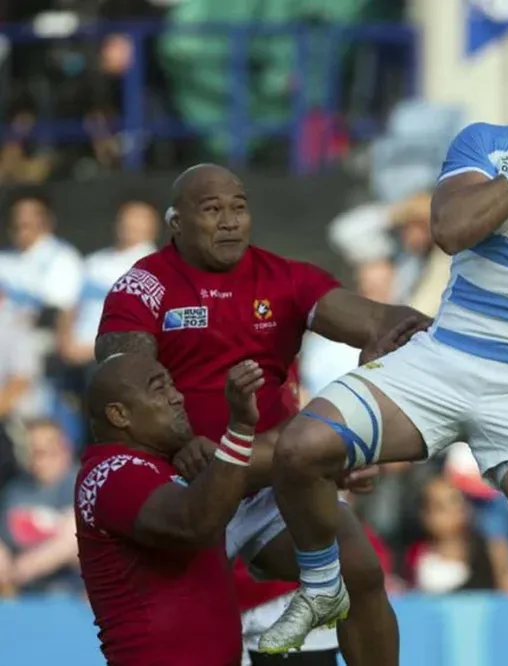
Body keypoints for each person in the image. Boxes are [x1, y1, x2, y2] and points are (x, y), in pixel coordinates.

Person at [260, 26, 508, 666]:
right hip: (443, 358)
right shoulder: (488, 142)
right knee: (300, 446)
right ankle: (320, 587)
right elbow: (449, 228)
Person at [95, 163, 424, 665]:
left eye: (239, 206)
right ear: (176, 224)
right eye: (211, 209)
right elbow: (121, 381)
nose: (230, 220)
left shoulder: (285, 279)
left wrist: (394, 339)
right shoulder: (144, 287)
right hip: (180, 484)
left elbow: (380, 319)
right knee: (182, 638)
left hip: (268, 483)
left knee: (359, 570)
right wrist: (180, 443)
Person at [75, 354, 264, 666]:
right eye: (158, 389)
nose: (177, 396)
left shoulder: (162, 468)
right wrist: (240, 429)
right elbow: (194, 524)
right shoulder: (110, 473)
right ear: (120, 414)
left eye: (172, 385)